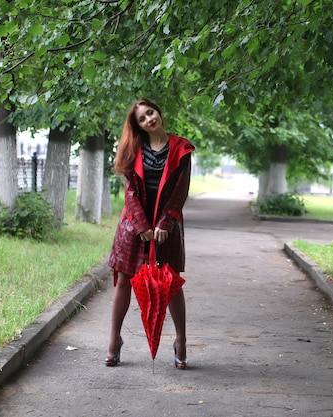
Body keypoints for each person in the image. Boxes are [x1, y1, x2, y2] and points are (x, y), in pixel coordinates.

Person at [106, 98, 195, 369]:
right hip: (134, 225)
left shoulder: (181, 148)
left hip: (166, 229)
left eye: (150, 113)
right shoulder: (132, 149)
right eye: (142, 119)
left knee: (171, 282)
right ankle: (114, 339)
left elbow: (180, 191)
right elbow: (130, 191)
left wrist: (164, 223)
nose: (148, 120)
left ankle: (181, 340)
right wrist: (142, 224)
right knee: (124, 280)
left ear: (158, 111)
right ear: (139, 126)